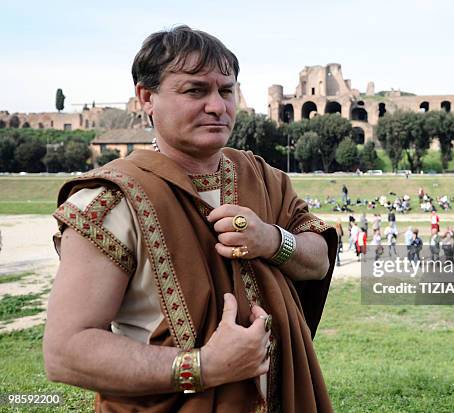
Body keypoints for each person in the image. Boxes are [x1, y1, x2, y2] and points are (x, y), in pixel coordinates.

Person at [43, 26, 336, 413]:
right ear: (147, 98)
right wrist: (204, 367)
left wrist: (272, 240)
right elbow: (66, 351)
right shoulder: (109, 200)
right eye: (195, 90)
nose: (217, 106)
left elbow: (318, 261)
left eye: (226, 90)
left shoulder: (264, 177)